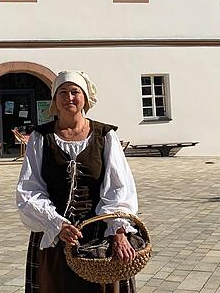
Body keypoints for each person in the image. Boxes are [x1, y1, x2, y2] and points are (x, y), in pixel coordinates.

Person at [16, 70, 139, 292]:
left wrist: (118, 231)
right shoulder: (40, 137)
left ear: (85, 97)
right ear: (55, 100)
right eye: (62, 92)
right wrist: (56, 223)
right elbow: (29, 189)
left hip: (99, 238)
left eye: (75, 92)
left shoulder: (105, 135)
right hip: (56, 236)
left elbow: (120, 188)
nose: (69, 98)